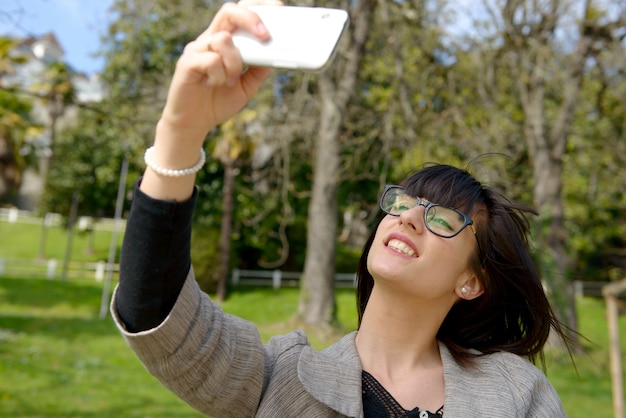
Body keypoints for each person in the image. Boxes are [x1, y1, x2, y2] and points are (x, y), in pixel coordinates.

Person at [111, 1, 571, 417]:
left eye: (443, 219)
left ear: (471, 282)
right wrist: (180, 130)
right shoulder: (278, 379)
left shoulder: (516, 394)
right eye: (405, 203)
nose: (409, 217)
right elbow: (156, 311)